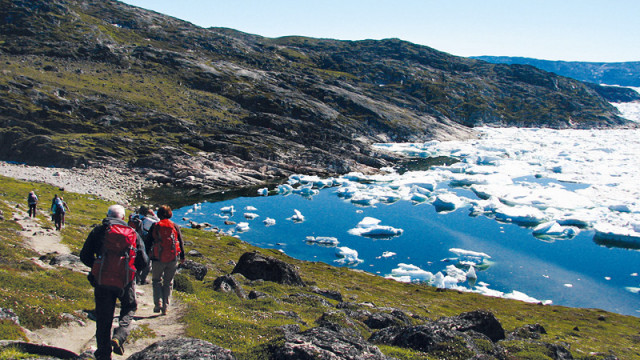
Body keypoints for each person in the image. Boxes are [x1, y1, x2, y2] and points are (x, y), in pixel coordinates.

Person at [80, 204, 149, 360]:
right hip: (125, 281)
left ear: (107, 215)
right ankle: (119, 335)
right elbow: (143, 262)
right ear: (123, 218)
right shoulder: (132, 233)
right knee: (130, 307)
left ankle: (104, 355)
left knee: (104, 318)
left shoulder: (99, 231)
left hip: (102, 281)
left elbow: (84, 256)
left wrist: (97, 266)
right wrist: (130, 271)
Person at [144, 205, 185, 315]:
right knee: (168, 282)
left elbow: (148, 241)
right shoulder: (174, 226)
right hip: (172, 258)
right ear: (170, 214)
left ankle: (158, 303)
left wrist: (146, 254)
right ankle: (166, 306)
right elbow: (180, 241)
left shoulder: (155, 226)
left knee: (157, 280)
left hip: (157, 258)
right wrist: (182, 257)